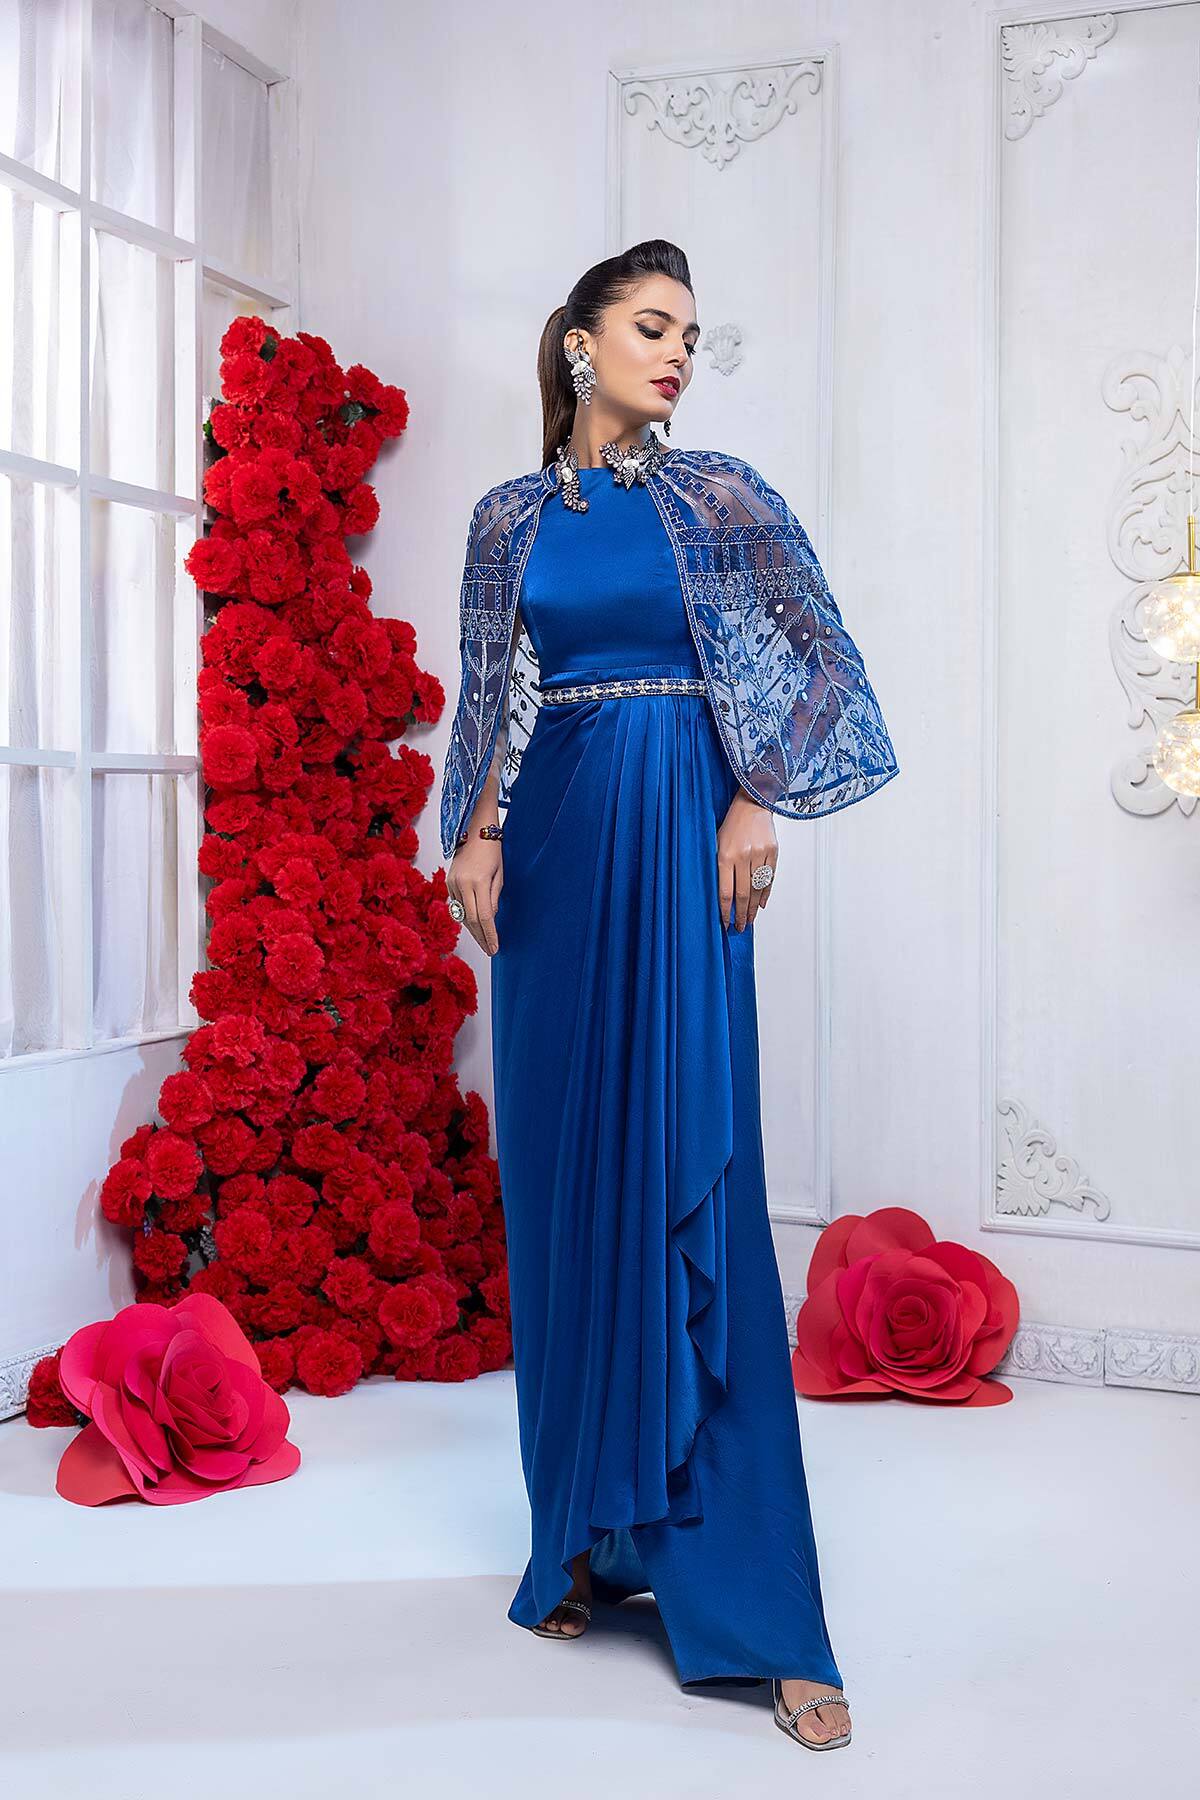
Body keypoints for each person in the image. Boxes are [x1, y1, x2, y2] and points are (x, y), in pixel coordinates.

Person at [439, 239, 899, 1751]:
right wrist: (476, 833)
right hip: (558, 861)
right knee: (563, 1190)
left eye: (692, 335)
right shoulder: (509, 518)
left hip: (684, 836)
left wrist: (756, 794)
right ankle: (583, 1536)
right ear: (580, 343)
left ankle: (760, 1611)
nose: (679, 354)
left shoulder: (721, 498)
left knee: (697, 1177)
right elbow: (494, 699)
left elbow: (825, 665)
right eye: (653, 327)